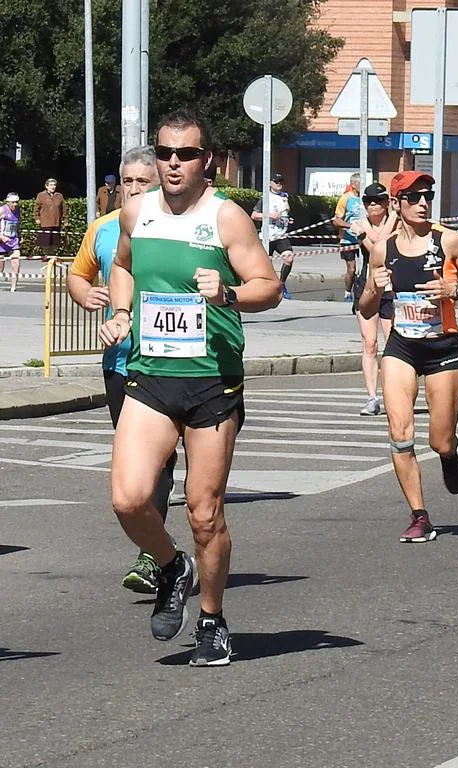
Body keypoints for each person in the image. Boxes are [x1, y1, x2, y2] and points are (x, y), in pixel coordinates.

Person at [99, 108, 281, 666]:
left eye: (186, 154)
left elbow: (268, 286)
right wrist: (122, 311)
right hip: (151, 376)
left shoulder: (226, 219)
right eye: (165, 153)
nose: (173, 163)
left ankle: (212, 620)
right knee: (128, 498)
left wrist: (226, 293)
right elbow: (124, 266)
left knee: (205, 513)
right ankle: (173, 565)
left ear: (208, 161)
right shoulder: (135, 213)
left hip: (212, 382)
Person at [357, 170, 458, 543]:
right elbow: (366, 307)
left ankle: (449, 455)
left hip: (443, 348)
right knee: (400, 434)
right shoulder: (384, 249)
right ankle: (419, 515)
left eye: (427, 196)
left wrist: (456, 290)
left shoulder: (448, 241)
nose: (422, 203)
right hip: (401, 346)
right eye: (413, 197)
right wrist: (373, 287)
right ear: (397, 204)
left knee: (440, 441)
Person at [69, 146, 179, 594]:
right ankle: (160, 550)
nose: (132, 189)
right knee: (133, 462)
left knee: (160, 461)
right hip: (120, 361)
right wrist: (85, 296)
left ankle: (152, 557)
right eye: (127, 181)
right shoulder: (103, 228)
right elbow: (80, 274)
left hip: (171, 360)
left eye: (142, 181)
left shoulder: (177, 226)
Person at [353, 182, 397, 416]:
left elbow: (381, 244)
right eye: (368, 201)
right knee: (369, 343)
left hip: (393, 287)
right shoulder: (360, 224)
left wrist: (390, 220)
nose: (373, 205)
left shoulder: (397, 223)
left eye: (378, 201)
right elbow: (375, 249)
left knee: (393, 343)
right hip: (367, 286)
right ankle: (372, 397)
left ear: (387, 203)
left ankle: (394, 391)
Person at [251, 173, 295, 300]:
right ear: (270, 183)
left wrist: (288, 219)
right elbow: (254, 215)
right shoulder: (265, 197)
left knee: (289, 258)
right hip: (267, 236)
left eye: (281, 181)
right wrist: (269, 215)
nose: (279, 184)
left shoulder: (284, 196)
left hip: (281, 235)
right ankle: (263, 287)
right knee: (264, 263)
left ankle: (282, 284)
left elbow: (285, 214)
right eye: (276, 181)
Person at [332, 173, 364, 301]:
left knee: (366, 267)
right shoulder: (346, 198)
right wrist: (350, 226)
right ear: (354, 185)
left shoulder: (366, 198)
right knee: (352, 268)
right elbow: (336, 220)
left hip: (364, 238)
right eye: (361, 183)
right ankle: (347, 293)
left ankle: (363, 292)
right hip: (348, 239)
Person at [34, 178, 67, 261]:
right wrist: (37, 218)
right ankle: (47, 254)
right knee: (45, 241)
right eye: (51, 185)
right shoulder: (41, 195)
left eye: (54, 185)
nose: (53, 187)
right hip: (45, 222)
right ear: (46, 186)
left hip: (56, 222)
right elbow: (36, 209)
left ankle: (51, 255)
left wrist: (65, 220)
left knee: (55, 241)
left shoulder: (59, 196)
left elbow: (64, 209)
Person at [0, 193, 20, 292]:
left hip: (13, 240)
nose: (15, 204)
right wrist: (1, 236)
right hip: (1, 241)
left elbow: (17, 224)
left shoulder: (18, 210)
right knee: (1, 263)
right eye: (13, 202)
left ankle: (13, 286)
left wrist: (19, 236)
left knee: (16, 261)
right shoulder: (2, 210)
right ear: (7, 202)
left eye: (17, 202)